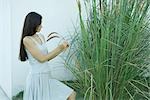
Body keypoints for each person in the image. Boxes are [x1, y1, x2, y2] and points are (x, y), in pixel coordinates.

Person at [19, 12, 76, 100]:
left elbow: (47, 58)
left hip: (47, 76)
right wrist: (60, 47)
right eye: (39, 24)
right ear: (33, 24)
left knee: (71, 94)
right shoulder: (27, 40)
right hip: (36, 79)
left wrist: (61, 49)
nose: (41, 26)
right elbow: (42, 59)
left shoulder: (41, 36)